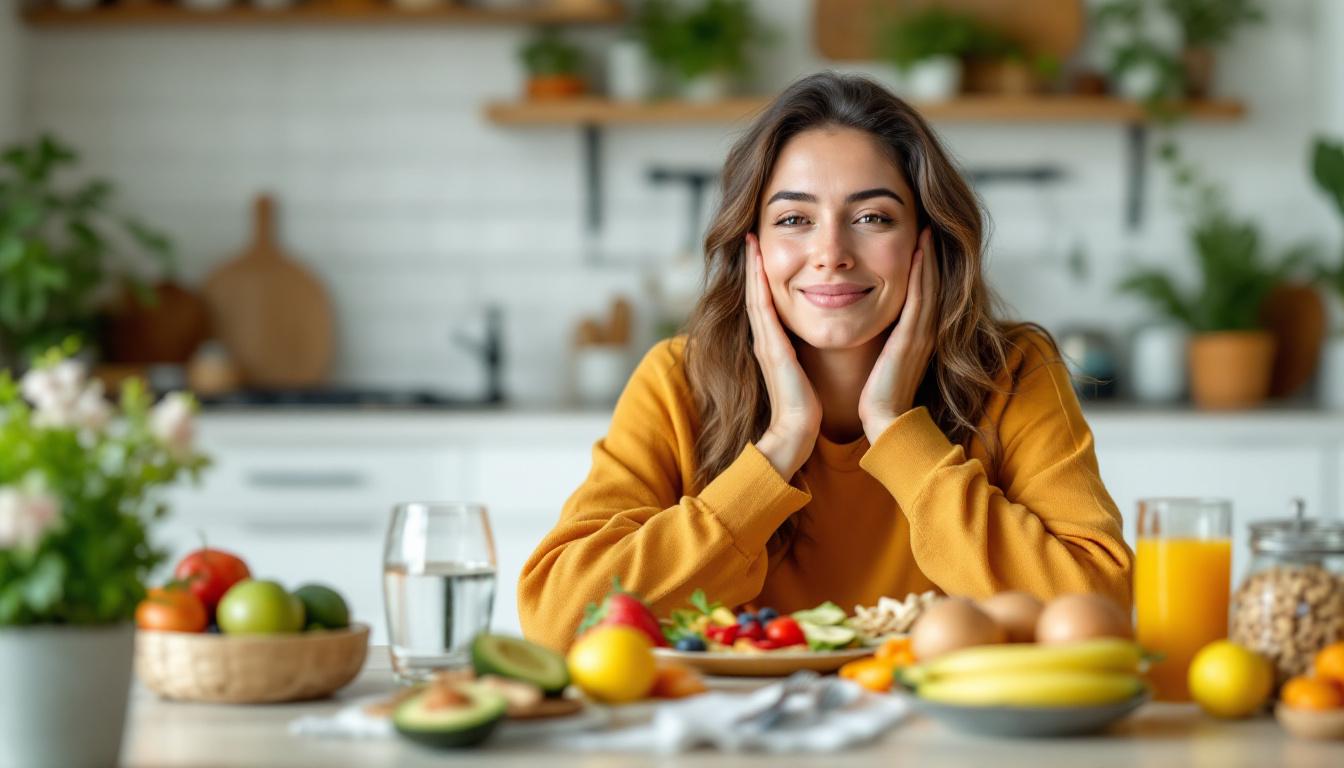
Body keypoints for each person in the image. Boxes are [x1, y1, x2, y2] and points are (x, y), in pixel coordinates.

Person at [519, 72, 1133, 650]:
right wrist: (779, 447)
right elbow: (560, 619)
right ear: (750, 247)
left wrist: (897, 431)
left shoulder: (1016, 370)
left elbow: (1095, 609)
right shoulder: (677, 380)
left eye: (872, 218)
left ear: (931, 240)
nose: (831, 252)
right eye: (794, 219)